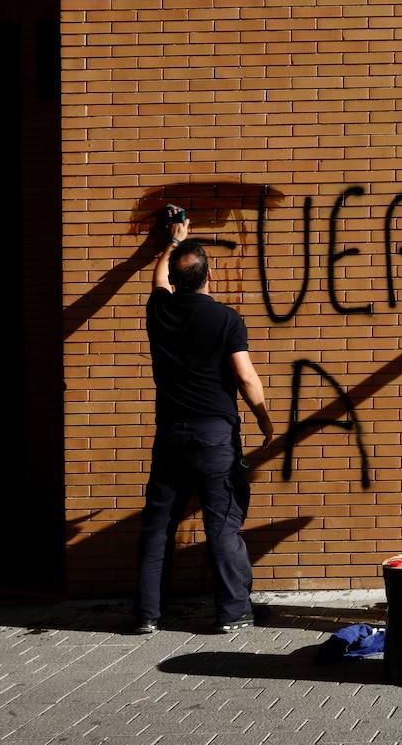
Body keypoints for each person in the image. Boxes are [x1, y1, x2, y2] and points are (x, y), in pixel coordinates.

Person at [133, 208, 275, 635]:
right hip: (214, 435)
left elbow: (159, 281)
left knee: (158, 525)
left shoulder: (161, 311)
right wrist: (265, 422)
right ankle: (232, 612)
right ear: (209, 277)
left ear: (177, 281)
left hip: (170, 434)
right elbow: (246, 377)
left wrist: (172, 242)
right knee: (222, 522)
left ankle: (146, 614)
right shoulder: (225, 319)